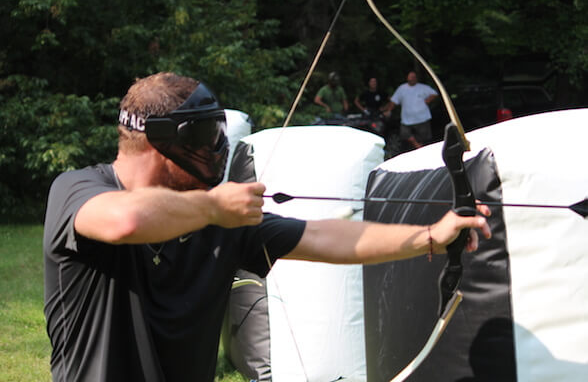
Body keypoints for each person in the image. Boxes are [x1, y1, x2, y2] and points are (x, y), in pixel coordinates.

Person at [43, 72, 491, 382]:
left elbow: (324, 235)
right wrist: (214, 206)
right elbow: (126, 220)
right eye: (206, 138)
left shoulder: (216, 219)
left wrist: (431, 234)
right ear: (165, 142)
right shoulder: (77, 190)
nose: (219, 149)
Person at [386, 71, 438, 149]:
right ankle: (417, 145)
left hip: (422, 117)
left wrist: (427, 101)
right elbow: (394, 101)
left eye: (414, 77)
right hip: (407, 119)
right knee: (404, 133)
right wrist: (389, 110)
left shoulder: (423, 87)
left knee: (424, 138)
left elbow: (434, 93)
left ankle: (422, 149)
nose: (412, 79)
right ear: (407, 78)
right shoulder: (402, 88)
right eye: (411, 77)